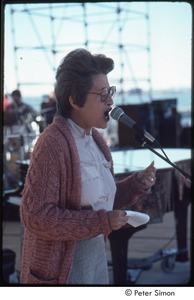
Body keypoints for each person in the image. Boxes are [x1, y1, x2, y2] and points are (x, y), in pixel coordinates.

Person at [20, 48, 156, 285]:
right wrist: (101, 222)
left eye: (110, 91)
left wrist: (135, 184)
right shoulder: (52, 143)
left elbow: (101, 202)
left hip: (94, 257)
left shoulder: (96, 141)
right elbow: (35, 217)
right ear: (74, 100)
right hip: (60, 270)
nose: (111, 101)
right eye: (103, 93)